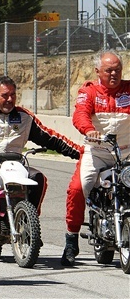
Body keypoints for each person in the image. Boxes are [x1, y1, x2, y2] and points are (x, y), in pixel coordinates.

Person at [0, 76, 81, 247]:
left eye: (13, 95)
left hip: (15, 165)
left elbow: (52, 138)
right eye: (5, 95)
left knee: (38, 178)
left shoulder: (25, 117)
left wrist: (82, 153)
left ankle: (29, 224)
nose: (10, 99)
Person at [61, 50, 130, 266]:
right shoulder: (89, 91)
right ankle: (71, 240)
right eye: (109, 70)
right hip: (97, 152)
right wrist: (89, 129)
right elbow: (80, 113)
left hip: (126, 153)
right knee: (77, 188)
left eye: (118, 70)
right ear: (97, 71)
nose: (114, 74)